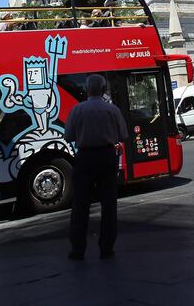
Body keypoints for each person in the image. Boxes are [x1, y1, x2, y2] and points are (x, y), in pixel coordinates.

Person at [64, 74, 128, 260]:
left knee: (80, 205)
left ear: (87, 89)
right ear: (103, 89)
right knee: (109, 204)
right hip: (107, 157)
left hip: (84, 157)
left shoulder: (77, 110)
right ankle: (106, 248)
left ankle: (78, 249)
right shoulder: (112, 110)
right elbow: (123, 134)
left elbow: (68, 136)